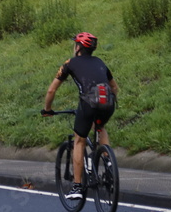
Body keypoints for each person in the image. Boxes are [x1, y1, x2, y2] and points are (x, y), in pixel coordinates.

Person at [41, 32, 119, 200]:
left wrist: (47, 109)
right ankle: (108, 162)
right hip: (109, 103)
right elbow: (115, 87)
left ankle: (76, 187)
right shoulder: (100, 62)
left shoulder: (70, 63)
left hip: (89, 103)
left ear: (78, 48)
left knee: (79, 140)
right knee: (100, 126)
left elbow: (51, 90)